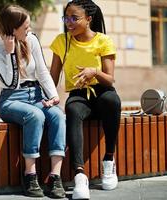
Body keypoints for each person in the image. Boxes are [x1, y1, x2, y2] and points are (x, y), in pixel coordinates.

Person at [0, 5, 66, 199]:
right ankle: (30, 175)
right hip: (11, 100)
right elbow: (10, 83)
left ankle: (56, 176)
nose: (29, 30)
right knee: (34, 115)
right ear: (12, 29)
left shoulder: (32, 39)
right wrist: (10, 53)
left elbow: (42, 72)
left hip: (36, 95)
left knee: (57, 115)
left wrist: (53, 95)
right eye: (25, 27)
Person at [50, 0, 121, 199]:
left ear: (88, 19)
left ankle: (108, 160)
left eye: (75, 18)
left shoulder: (103, 41)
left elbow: (110, 79)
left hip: (102, 92)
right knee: (72, 109)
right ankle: (80, 175)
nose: (69, 22)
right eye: (66, 18)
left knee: (113, 101)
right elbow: (52, 78)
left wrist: (94, 72)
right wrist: (46, 98)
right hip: (79, 96)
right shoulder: (62, 41)